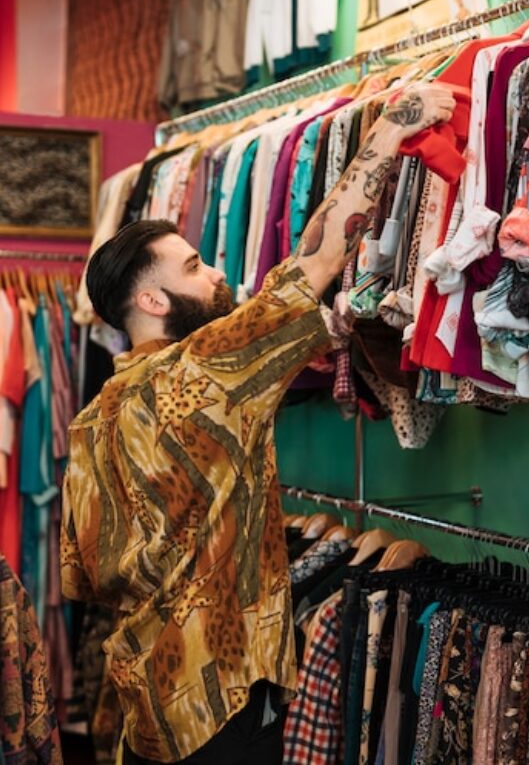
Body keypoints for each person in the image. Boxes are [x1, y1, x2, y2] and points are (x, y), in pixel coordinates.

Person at [60, 82, 455, 765]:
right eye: (193, 267)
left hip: (147, 705)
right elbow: (317, 262)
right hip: (220, 704)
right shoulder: (206, 368)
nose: (216, 272)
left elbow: (85, 572)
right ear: (153, 298)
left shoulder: (95, 416)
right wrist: (394, 124)